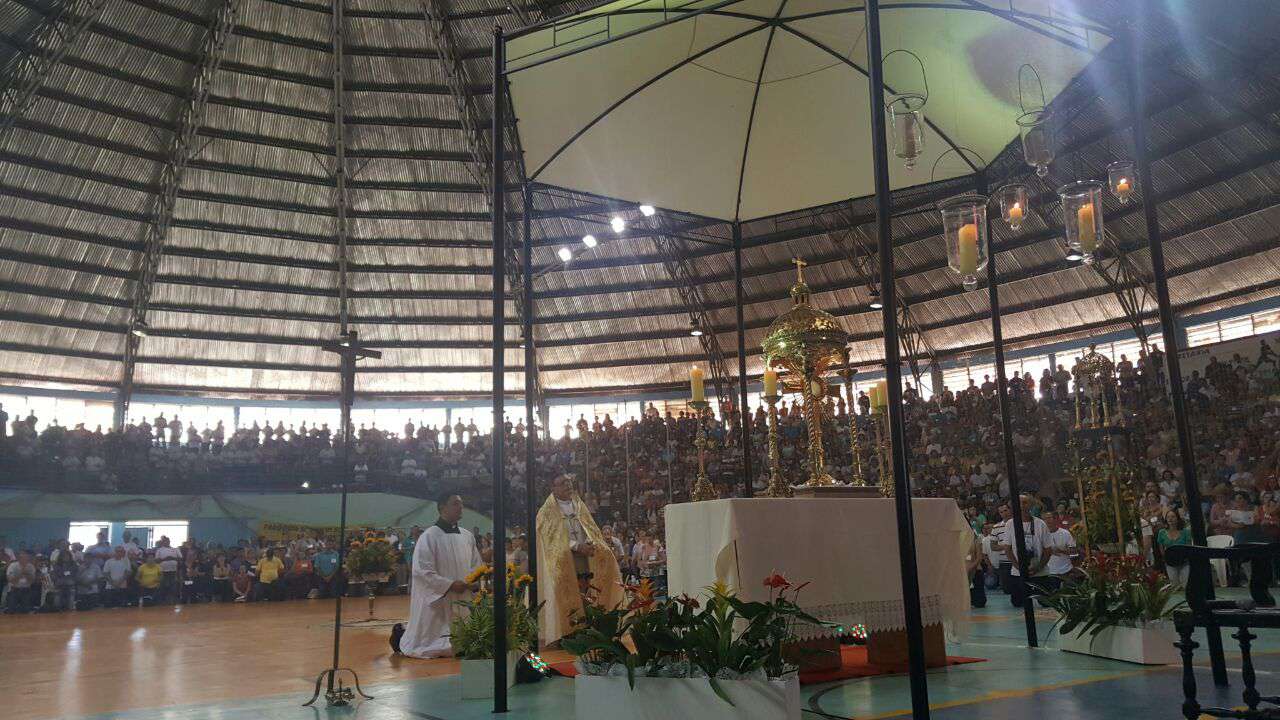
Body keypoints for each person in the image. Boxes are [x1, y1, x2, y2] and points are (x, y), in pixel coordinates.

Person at [536, 474, 624, 646]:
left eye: (569, 482)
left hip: (585, 558)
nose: (568, 485)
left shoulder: (578, 505)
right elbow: (550, 539)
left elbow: (590, 528)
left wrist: (591, 543)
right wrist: (577, 546)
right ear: (553, 488)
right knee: (568, 594)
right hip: (562, 560)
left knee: (587, 590)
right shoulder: (546, 511)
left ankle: (589, 629)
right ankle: (567, 633)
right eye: (563, 483)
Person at [392, 493, 483, 658]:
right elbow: (422, 571)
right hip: (441, 599)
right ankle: (400, 635)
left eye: (461, 504)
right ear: (442, 507)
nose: (460, 507)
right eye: (455, 503)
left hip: (463, 594)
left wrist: (473, 580)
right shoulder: (429, 536)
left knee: (465, 641)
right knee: (435, 643)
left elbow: (476, 564)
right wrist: (449, 584)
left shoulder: (467, 536)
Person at [1157, 510, 1192, 588]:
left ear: (1177, 518)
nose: (1170, 519)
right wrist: (1165, 559)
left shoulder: (1186, 532)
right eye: (1168, 517)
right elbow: (1161, 549)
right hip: (1170, 563)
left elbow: (1189, 548)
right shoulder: (1161, 532)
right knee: (1174, 586)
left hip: (1184, 562)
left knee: (1186, 585)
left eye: (1173, 516)